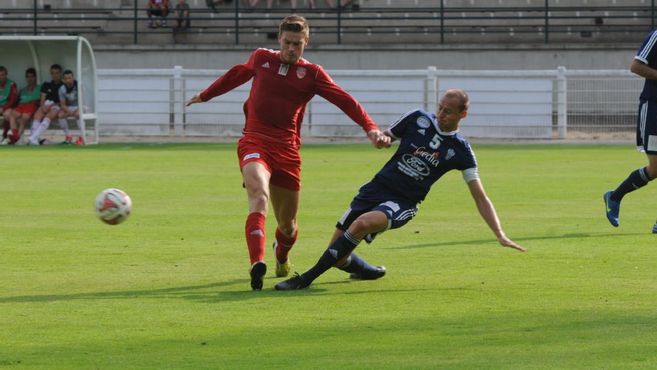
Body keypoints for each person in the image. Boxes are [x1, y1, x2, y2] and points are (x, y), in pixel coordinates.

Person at [186, 15, 389, 290]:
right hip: (255, 141)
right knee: (259, 196)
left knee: (288, 226)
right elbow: (237, 74)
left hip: (287, 151)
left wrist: (370, 128)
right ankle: (256, 263)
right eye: (288, 42)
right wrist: (206, 94)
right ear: (279, 39)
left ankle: (281, 255)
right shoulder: (261, 59)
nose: (292, 49)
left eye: (298, 44)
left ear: (306, 42)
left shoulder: (313, 74)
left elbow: (345, 100)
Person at [275, 89, 526, 291]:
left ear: (464, 114)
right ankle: (365, 270)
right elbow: (386, 138)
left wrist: (500, 233)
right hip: (376, 188)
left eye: (448, 112)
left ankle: (304, 280)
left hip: (403, 203)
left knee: (361, 224)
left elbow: (480, 196)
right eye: (440, 107)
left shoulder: (461, 150)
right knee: (339, 256)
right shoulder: (417, 118)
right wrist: (381, 140)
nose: (441, 114)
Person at [604, 29, 657, 232]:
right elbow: (636, 66)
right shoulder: (656, 37)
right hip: (653, 108)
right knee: (656, 168)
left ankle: (614, 197)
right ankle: (615, 196)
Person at [28, 64, 64, 146]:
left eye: (57, 73)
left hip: (56, 106)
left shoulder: (63, 86)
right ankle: (35, 140)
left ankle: (33, 137)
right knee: (37, 114)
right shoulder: (46, 84)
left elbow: (63, 101)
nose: (55, 75)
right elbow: (42, 98)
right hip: (46, 104)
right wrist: (43, 106)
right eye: (53, 73)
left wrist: (51, 105)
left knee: (50, 113)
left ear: (60, 73)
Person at [6, 68, 40, 145]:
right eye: (28, 77)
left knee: (24, 118)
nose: (29, 79)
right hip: (21, 106)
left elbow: (41, 100)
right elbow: (16, 101)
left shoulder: (39, 88)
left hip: (31, 105)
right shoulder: (23, 90)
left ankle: (16, 136)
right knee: (12, 115)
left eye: (31, 76)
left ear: (35, 77)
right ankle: (15, 136)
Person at [57, 70, 84, 145]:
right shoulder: (62, 89)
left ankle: (82, 137)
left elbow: (82, 101)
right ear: (63, 80)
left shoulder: (78, 86)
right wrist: (69, 111)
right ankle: (68, 136)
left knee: (78, 114)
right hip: (69, 107)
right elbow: (63, 104)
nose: (68, 80)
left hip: (80, 106)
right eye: (66, 78)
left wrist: (78, 110)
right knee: (60, 115)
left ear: (73, 78)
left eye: (70, 78)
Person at [0, 66, 19, 145]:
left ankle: (13, 137)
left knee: (9, 114)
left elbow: (13, 100)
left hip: (7, 107)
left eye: (2, 75)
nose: (1, 77)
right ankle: (4, 136)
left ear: (6, 75)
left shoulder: (11, 84)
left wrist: (3, 108)